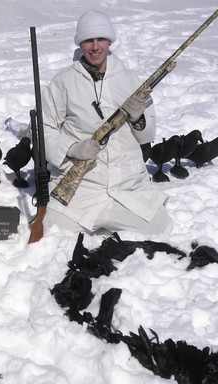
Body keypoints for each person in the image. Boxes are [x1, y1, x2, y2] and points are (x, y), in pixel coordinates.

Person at [42, 10, 172, 235]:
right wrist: (73, 148)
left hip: (126, 183)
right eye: (88, 40)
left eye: (100, 39)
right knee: (52, 232)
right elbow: (44, 129)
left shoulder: (131, 81)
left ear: (110, 41)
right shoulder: (62, 82)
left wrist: (138, 118)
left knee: (160, 229)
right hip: (83, 185)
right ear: (80, 43)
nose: (95, 47)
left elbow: (147, 135)